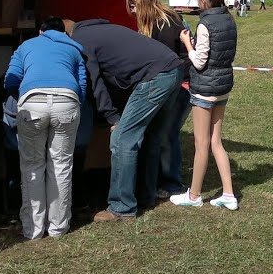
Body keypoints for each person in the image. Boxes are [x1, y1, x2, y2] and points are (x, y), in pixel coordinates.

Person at [65, 17, 184, 221]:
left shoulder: (81, 40)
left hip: (154, 76)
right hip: (174, 69)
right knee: (151, 136)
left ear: (67, 34)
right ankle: (146, 195)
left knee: (122, 139)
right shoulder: (102, 29)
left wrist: (112, 118)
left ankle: (122, 206)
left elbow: (95, 83)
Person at [3, 16, 89, 239]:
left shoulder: (26, 46)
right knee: (60, 166)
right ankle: (58, 227)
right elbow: (82, 86)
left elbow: (10, 81)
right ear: (65, 34)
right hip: (67, 102)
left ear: (41, 31)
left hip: (32, 103)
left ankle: (33, 228)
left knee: (32, 166)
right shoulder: (74, 50)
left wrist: (23, 98)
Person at [171, 0, 239, 211]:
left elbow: (199, 62)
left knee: (201, 144)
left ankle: (194, 195)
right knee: (216, 142)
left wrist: (187, 44)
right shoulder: (229, 19)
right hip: (223, 87)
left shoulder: (204, 24)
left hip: (205, 89)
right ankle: (228, 194)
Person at [124, 0, 192, 201]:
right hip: (178, 84)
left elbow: (165, 62)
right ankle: (163, 180)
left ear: (142, 4)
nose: (131, 11)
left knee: (166, 135)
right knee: (163, 134)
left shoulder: (162, 25)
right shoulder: (167, 20)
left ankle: (172, 184)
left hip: (179, 85)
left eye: (133, 6)